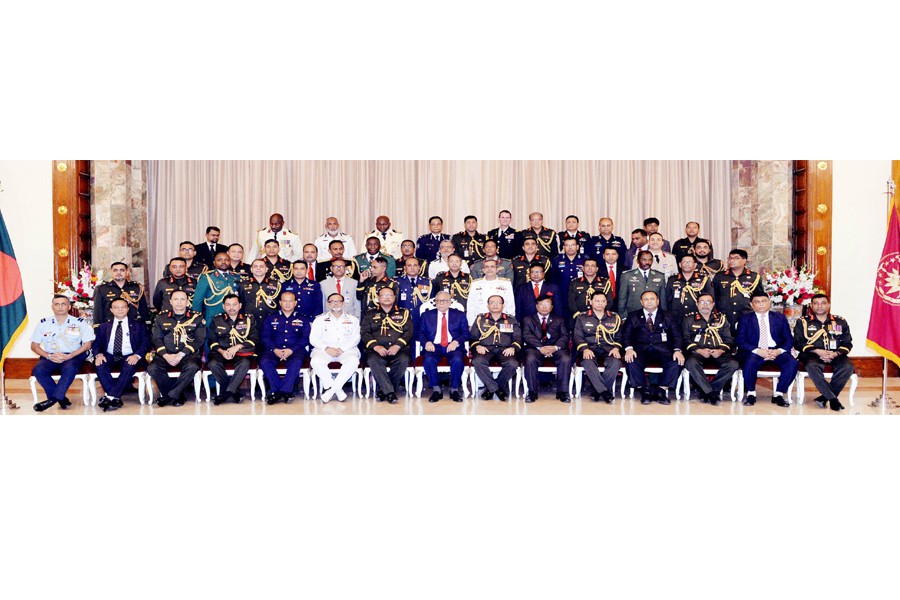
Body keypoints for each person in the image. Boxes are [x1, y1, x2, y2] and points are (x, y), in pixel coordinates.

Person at [30, 295, 95, 412]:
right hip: (50, 356)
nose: (60, 307)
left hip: (72, 356)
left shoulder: (79, 322)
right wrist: (48, 356)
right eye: (57, 304)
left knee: (70, 368)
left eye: (63, 304)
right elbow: (34, 346)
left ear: (69, 306)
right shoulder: (44, 323)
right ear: (52, 307)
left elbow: (87, 345)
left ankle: (53, 399)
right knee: (38, 370)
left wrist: (70, 355)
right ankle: (61, 399)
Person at [735, 295, 799, 408]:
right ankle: (751, 393)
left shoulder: (780, 317)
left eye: (764, 301)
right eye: (757, 302)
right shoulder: (745, 319)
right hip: (755, 351)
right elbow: (740, 340)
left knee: (792, 363)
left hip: (776, 350)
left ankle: (779, 394)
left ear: (769, 302)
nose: (761, 304)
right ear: (751, 305)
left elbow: (789, 339)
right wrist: (757, 351)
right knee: (749, 361)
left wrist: (778, 351)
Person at [793, 293, 854, 411]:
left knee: (848, 366)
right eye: (816, 303)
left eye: (823, 303)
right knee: (812, 365)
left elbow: (847, 343)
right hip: (811, 354)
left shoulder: (840, 321)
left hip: (835, 353)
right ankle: (833, 399)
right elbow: (798, 343)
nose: (819, 306)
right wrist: (817, 351)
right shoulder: (803, 322)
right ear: (811, 305)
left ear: (829, 305)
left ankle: (824, 398)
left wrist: (835, 353)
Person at [622, 290, 684, 405]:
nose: (649, 302)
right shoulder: (633, 316)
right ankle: (644, 390)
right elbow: (626, 335)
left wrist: (677, 350)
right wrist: (629, 349)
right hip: (641, 351)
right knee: (631, 361)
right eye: (646, 299)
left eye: (652, 299)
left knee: (677, 361)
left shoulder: (668, 316)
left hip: (663, 350)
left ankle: (661, 391)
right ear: (641, 302)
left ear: (658, 301)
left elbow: (677, 336)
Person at [148, 290, 206, 407]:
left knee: (192, 366)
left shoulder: (197, 317)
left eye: (182, 299)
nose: (179, 302)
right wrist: (166, 355)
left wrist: (181, 354)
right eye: (176, 299)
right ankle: (178, 395)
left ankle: (169, 396)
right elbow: (156, 339)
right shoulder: (161, 317)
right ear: (170, 301)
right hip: (165, 355)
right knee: (152, 368)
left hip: (188, 355)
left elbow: (199, 339)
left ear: (187, 301)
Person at [93, 298, 151, 412]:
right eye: (116, 307)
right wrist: (98, 355)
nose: (120, 310)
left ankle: (110, 396)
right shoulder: (104, 327)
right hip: (109, 355)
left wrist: (137, 355)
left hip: (130, 355)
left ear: (128, 309)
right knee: (100, 365)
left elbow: (146, 342)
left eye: (123, 307)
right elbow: (96, 344)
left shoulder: (138, 325)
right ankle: (114, 397)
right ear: (111, 310)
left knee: (129, 366)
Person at [682, 293, 738, 405]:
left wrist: (721, 350)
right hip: (698, 352)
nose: (705, 305)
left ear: (713, 304)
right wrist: (698, 350)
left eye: (708, 302)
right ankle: (711, 393)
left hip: (718, 352)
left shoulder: (721, 319)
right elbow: (685, 339)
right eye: (702, 302)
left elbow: (728, 339)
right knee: (691, 363)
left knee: (733, 364)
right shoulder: (689, 319)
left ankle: (708, 390)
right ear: (697, 304)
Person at [361, 287, 414, 403]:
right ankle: (390, 392)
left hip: (399, 349)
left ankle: (384, 391)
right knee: (373, 360)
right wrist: (376, 346)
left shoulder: (403, 313)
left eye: (390, 295)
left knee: (403, 360)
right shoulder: (370, 314)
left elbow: (409, 331)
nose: (387, 298)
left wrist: (398, 345)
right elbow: (364, 333)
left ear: (394, 298)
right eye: (384, 295)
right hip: (376, 350)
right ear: (378, 298)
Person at [259, 291, 311, 405]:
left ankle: (278, 393)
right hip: (274, 350)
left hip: (295, 350)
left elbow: (305, 338)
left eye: (290, 301)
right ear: (280, 303)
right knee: (265, 361)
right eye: (285, 301)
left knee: (296, 361)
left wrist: (291, 350)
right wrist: (275, 349)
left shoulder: (302, 319)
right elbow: (265, 337)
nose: (287, 304)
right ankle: (283, 392)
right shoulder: (270, 318)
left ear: (295, 303)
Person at [207, 294, 259, 405]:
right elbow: (211, 341)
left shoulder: (248, 319)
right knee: (213, 364)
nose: (231, 307)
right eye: (228, 305)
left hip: (241, 352)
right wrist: (222, 351)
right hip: (221, 352)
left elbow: (254, 339)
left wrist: (238, 347)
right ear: (223, 306)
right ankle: (233, 392)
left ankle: (226, 393)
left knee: (245, 363)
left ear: (240, 305)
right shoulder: (217, 320)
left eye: (235, 304)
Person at [309, 293, 361, 403]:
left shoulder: (353, 319)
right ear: (328, 304)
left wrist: (342, 349)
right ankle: (337, 390)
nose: (335, 303)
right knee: (316, 361)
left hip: (346, 350)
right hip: (325, 350)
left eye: (338, 301)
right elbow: (313, 339)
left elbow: (356, 338)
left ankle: (331, 391)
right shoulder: (319, 320)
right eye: (332, 301)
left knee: (353, 361)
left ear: (343, 303)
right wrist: (327, 348)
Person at [418, 291, 469, 403]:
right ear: (435, 302)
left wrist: (456, 342)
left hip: (453, 346)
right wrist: (426, 343)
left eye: (444, 301)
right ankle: (436, 390)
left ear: (450, 302)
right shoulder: (426, 316)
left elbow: (465, 333)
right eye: (438, 301)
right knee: (429, 359)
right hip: (434, 346)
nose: (441, 303)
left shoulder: (459, 315)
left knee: (457, 360)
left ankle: (454, 389)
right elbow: (420, 333)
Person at [573, 292, 623, 403]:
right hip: (589, 348)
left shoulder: (615, 317)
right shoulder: (582, 317)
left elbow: (619, 336)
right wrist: (585, 349)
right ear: (590, 302)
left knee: (615, 362)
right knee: (588, 362)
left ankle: (598, 391)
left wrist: (616, 347)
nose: (600, 304)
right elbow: (578, 336)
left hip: (609, 348)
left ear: (606, 303)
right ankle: (605, 392)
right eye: (597, 301)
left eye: (603, 301)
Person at [470, 295, 521, 401]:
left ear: (503, 305)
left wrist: (513, 348)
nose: (495, 305)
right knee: (478, 361)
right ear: (488, 305)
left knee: (512, 363)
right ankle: (497, 389)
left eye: (498, 302)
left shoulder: (511, 320)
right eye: (492, 302)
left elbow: (518, 337)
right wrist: (478, 346)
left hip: (505, 349)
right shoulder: (480, 319)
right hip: (485, 349)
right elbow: (472, 337)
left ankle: (491, 388)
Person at [522, 294, 571, 403]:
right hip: (535, 348)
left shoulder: (559, 319)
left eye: (547, 304)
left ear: (552, 307)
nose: (544, 307)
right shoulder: (528, 319)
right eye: (541, 304)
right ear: (536, 306)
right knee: (530, 359)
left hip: (555, 348)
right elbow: (526, 335)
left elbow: (565, 336)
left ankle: (563, 392)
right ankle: (532, 392)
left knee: (565, 359)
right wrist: (540, 347)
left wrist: (554, 347)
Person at [713, 249, 766, 334]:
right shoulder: (720, 276)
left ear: (744, 260)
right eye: (730, 258)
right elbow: (714, 296)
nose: (732, 260)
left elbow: (758, 297)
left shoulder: (754, 277)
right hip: (724, 317)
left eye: (736, 258)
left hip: (746, 315)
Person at [93, 261, 151, 328]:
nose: (118, 273)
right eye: (115, 270)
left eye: (122, 270)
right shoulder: (102, 289)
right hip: (110, 327)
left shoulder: (137, 288)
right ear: (111, 272)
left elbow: (143, 309)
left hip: (133, 326)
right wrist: (97, 328)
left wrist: (147, 324)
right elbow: (98, 311)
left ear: (127, 272)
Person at [192, 252, 246, 323]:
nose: (223, 262)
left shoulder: (237, 277)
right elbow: (197, 301)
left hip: (233, 317)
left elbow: (243, 298)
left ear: (230, 262)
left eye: (226, 260)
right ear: (214, 262)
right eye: (219, 260)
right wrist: (197, 319)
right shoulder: (207, 277)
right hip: (213, 317)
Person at [618, 250, 668, 317]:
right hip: (633, 314)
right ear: (638, 261)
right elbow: (622, 298)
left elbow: (662, 300)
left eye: (650, 260)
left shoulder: (659, 276)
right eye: (644, 260)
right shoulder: (627, 276)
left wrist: (663, 316)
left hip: (653, 314)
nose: (647, 262)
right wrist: (622, 316)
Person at [467, 258, 516, 325]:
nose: (489, 269)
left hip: (501, 321)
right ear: (483, 270)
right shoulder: (475, 284)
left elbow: (510, 305)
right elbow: (470, 305)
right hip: (480, 321)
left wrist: (510, 322)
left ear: (497, 269)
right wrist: (471, 324)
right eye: (487, 267)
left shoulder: (506, 284)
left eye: (492, 266)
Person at [665, 254, 714, 321]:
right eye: (684, 262)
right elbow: (668, 300)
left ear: (695, 265)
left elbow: (710, 298)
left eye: (689, 262)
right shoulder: (672, 280)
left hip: (696, 317)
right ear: (680, 265)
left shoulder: (704, 279)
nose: (687, 264)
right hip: (676, 317)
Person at [395, 257, 432, 345]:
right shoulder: (396, 282)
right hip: (403, 321)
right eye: (409, 265)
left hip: (421, 319)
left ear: (419, 267)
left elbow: (431, 303)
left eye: (415, 265)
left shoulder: (428, 282)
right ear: (404, 268)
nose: (412, 268)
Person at [241, 259, 282, 327]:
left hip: (270, 320)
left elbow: (279, 303)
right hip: (250, 321)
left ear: (266, 269)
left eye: (261, 266)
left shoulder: (276, 284)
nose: (258, 268)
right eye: (255, 266)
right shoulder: (243, 285)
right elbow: (241, 303)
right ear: (251, 269)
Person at [599, 248, 623, 312]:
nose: (611, 257)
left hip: (620, 303)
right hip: (603, 303)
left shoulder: (625, 269)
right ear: (603, 256)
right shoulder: (598, 270)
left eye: (613, 254)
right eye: (608, 254)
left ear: (617, 255)